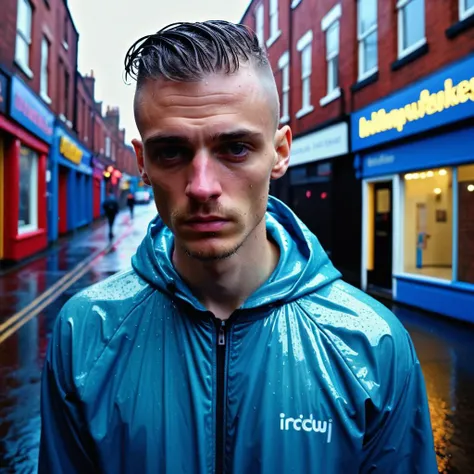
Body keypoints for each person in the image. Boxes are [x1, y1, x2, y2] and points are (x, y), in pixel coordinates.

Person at [38, 21, 438, 474]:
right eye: (171, 152)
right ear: (142, 163)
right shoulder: (85, 333)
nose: (202, 186)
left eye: (235, 148)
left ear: (281, 151)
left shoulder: (373, 344)